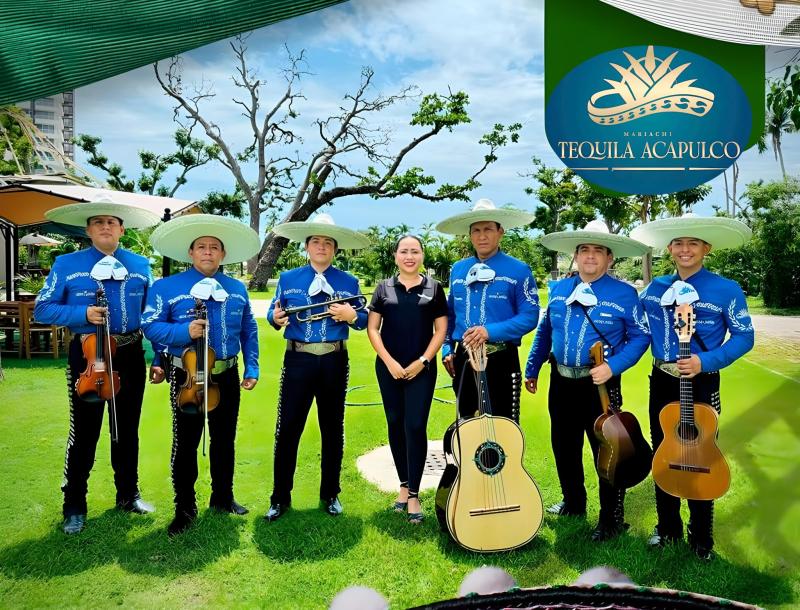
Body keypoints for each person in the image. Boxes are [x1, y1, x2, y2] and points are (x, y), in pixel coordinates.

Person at [34, 197, 161, 535]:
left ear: (122, 229)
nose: (106, 227)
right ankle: (74, 504)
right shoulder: (66, 264)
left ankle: (127, 495)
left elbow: (152, 315)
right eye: (98, 222)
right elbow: (42, 309)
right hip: (88, 356)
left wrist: (159, 356)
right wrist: (82, 315)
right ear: (88, 230)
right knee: (85, 433)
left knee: (127, 430)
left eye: (112, 222)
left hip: (131, 354)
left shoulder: (140, 265)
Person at [631, 213, 754, 559]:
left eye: (693, 243)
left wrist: (706, 361)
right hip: (663, 380)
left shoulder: (726, 289)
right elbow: (639, 332)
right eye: (679, 243)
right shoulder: (654, 290)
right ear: (670, 248)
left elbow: (745, 337)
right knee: (665, 452)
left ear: (706, 248)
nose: (685, 250)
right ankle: (667, 529)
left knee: (701, 454)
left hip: (701, 382)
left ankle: (702, 537)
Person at [524, 220, 651, 541]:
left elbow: (639, 337)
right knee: (564, 445)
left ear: (610, 259)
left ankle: (611, 518)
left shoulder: (624, 293)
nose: (590, 256)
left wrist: (614, 366)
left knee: (608, 450)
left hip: (601, 386)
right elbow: (545, 331)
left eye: (598, 251)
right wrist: (533, 367)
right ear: (576, 256)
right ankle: (573, 503)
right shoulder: (559, 289)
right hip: (561, 382)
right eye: (584, 250)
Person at [141, 214, 260, 536]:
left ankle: (222, 497)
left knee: (224, 440)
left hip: (227, 373)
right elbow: (149, 325)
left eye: (215, 248)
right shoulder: (166, 287)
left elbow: (248, 328)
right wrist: (184, 330)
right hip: (187, 377)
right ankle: (184, 507)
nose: (208, 252)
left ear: (223, 255)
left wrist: (252, 366)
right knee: (186, 443)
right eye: (201, 247)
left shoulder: (236, 288)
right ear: (191, 253)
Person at [264, 213, 370, 521]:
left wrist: (352, 316)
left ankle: (331, 493)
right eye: (315, 242)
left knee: (332, 428)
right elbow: (275, 310)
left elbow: (364, 320)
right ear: (307, 247)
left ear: (334, 249)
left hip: (335, 359)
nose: (321, 247)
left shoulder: (348, 281)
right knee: (288, 429)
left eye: (327, 243)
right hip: (298, 358)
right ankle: (279, 497)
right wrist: (276, 318)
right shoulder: (288, 279)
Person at [366, 235, 448, 523]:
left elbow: (441, 330)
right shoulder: (383, 288)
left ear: (422, 255)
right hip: (389, 368)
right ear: (395, 256)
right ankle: (403, 486)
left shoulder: (434, 289)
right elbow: (373, 328)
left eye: (415, 251)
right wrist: (389, 362)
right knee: (395, 424)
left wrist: (423, 361)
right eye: (404, 251)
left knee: (414, 425)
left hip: (421, 369)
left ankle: (414, 495)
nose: (409, 256)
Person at [435, 199, 539, 422]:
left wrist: (489, 331)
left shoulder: (518, 270)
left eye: (488, 229)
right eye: (476, 231)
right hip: (464, 359)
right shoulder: (458, 270)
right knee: (466, 425)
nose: (482, 236)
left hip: (501, 358)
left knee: (504, 429)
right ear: (470, 235)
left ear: (500, 232)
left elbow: (530, 316)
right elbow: (450, 314)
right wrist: (446, 348)